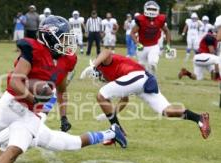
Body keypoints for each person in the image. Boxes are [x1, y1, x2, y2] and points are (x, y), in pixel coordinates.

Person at [0, 16, 121, 163]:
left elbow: (60, 90)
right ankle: (110, 133)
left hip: (34, 110)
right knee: (65, 142)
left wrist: (62, 116)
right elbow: (18, 84)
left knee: (59, 142)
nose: (67, 42)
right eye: (63, 38)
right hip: (27, 109)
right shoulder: (32, 54)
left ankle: (110, 133)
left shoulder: (64, 59)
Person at [0, 98, 126, 163]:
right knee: (72, 141)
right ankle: (111, 132)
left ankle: (111, 132)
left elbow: (0, 159)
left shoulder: (2, 129)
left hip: (33, 133)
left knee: (74, 143)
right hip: (24, 129)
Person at [80, 49, 211, 142]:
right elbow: (124, 99)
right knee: (167, 111)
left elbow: (106, 51)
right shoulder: (113, 77)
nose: (99, 78)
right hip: (144, 81)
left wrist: (93, 65)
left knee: (101, 95)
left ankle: (116, 130)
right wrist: (111, 113)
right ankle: (199, 118)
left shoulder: (104, 62)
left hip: (138, 76)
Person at [131, 1, 171, 75]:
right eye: (149, 9)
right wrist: (137, 43)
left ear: (157, 10)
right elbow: (132, 33)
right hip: (142, 46)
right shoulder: (141, 19)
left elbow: (167, 31)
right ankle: (146, 79)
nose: (151, 11)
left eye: (153, 9)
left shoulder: (160, 19)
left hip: (154, 46)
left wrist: (168, 44)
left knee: (152, 62)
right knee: (142, 67)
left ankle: (152, 79)